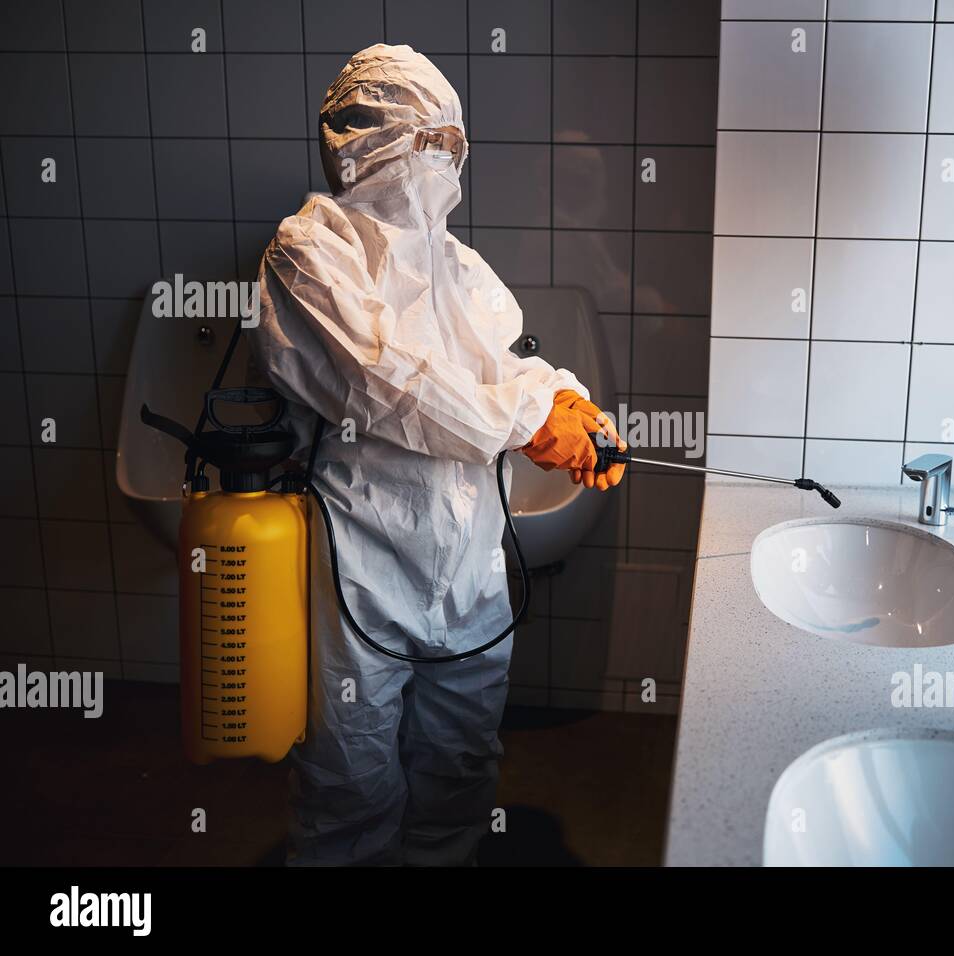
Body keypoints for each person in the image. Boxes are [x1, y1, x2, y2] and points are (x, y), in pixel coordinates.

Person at [251, 44, 625, 866]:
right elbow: (383, 379)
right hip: (361, 561)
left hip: (468, 563)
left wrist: (564, 398)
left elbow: (506, 360)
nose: (446, 164)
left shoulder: (459, 265)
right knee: (349, 772)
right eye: (431, 143)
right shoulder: (307, 252)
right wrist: (526, 420)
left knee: (460, 761)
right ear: (369, 140)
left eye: (454, 146)